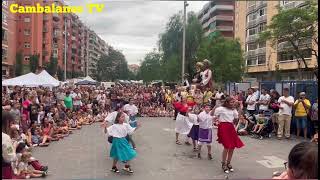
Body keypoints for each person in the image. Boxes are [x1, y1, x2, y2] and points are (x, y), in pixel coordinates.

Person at [214, 97, 244, 174]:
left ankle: (228, 163)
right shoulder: (221, 109)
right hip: (223, 127)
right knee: (227, 146)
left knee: (232, 146)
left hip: (231, 127)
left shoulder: (233, 110)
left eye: (233, 102)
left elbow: (237, 118)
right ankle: (223, 164)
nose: (233, 103)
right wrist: (216, 120)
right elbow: (214, 116)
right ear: (226, 102)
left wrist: (240, 108)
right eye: (231, 102)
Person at [2, 111, 18, 179]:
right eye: (11, 124)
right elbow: (11, 157)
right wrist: (14, 145)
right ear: (7, 122)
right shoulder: (5, 137)